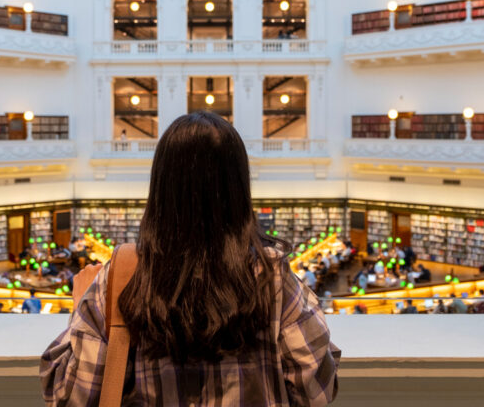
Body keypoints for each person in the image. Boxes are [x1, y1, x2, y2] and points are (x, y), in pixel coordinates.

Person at [41, 111, 340, 405]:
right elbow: (315, 389)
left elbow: (68, 396)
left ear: (160, 187)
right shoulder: (271, 275)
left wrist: (79, 306)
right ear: (238, 188)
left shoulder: (123, 274)